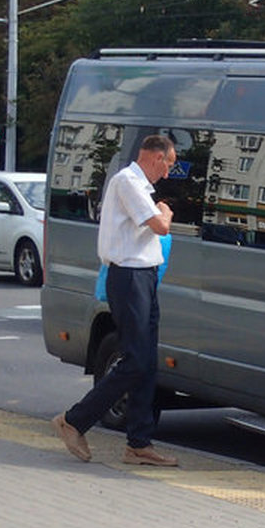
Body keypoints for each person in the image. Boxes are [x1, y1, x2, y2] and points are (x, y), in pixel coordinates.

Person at [53, 135, 179, 466]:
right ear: (155, 158)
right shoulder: (128, 183)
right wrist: (165, 211)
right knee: (135, 360)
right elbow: (160, 227)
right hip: (129, 278)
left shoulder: (140, 187)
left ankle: (138, 444)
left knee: (147, 362)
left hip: (146, 276)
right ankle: (74, 420)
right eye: (168, 165)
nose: (167, 174)